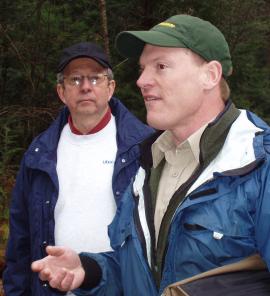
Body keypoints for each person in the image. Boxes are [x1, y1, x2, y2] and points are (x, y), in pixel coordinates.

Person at [31, 15, 270, 296]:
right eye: (143, 68)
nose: (142, 80)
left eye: (161, 66)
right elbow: (142, 272)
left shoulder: (258, 163)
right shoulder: (146, 165)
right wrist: (89, 271)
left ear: (210, 75)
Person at [3, 41, 154, 296]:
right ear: (61, 92)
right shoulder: (39, 154)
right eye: (75, 80)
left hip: (126, 288)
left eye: (95, 79)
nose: (85, 87)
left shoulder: (144, 147)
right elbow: (21, 238)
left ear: (110, 87)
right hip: (52, 290)